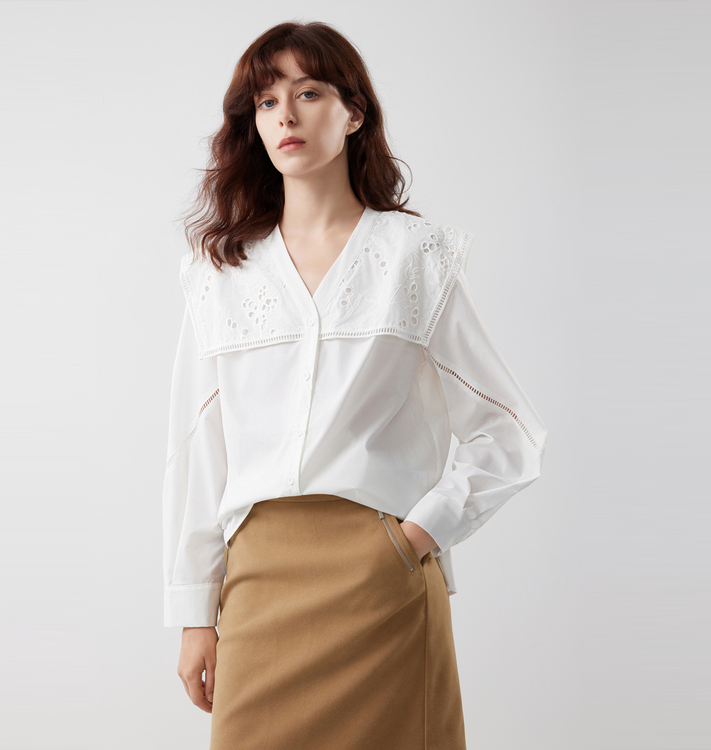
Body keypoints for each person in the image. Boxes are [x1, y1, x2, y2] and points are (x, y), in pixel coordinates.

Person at [161, 21, 548, 750]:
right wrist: (193, 614)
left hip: (384, 583)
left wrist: (414, 537)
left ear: (354, 113)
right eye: (266, 100)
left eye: (308, 93)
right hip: (258, 583)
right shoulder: (219, 274)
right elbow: (199, 453)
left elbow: (510, 429)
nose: (286, 115)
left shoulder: (415, 257)